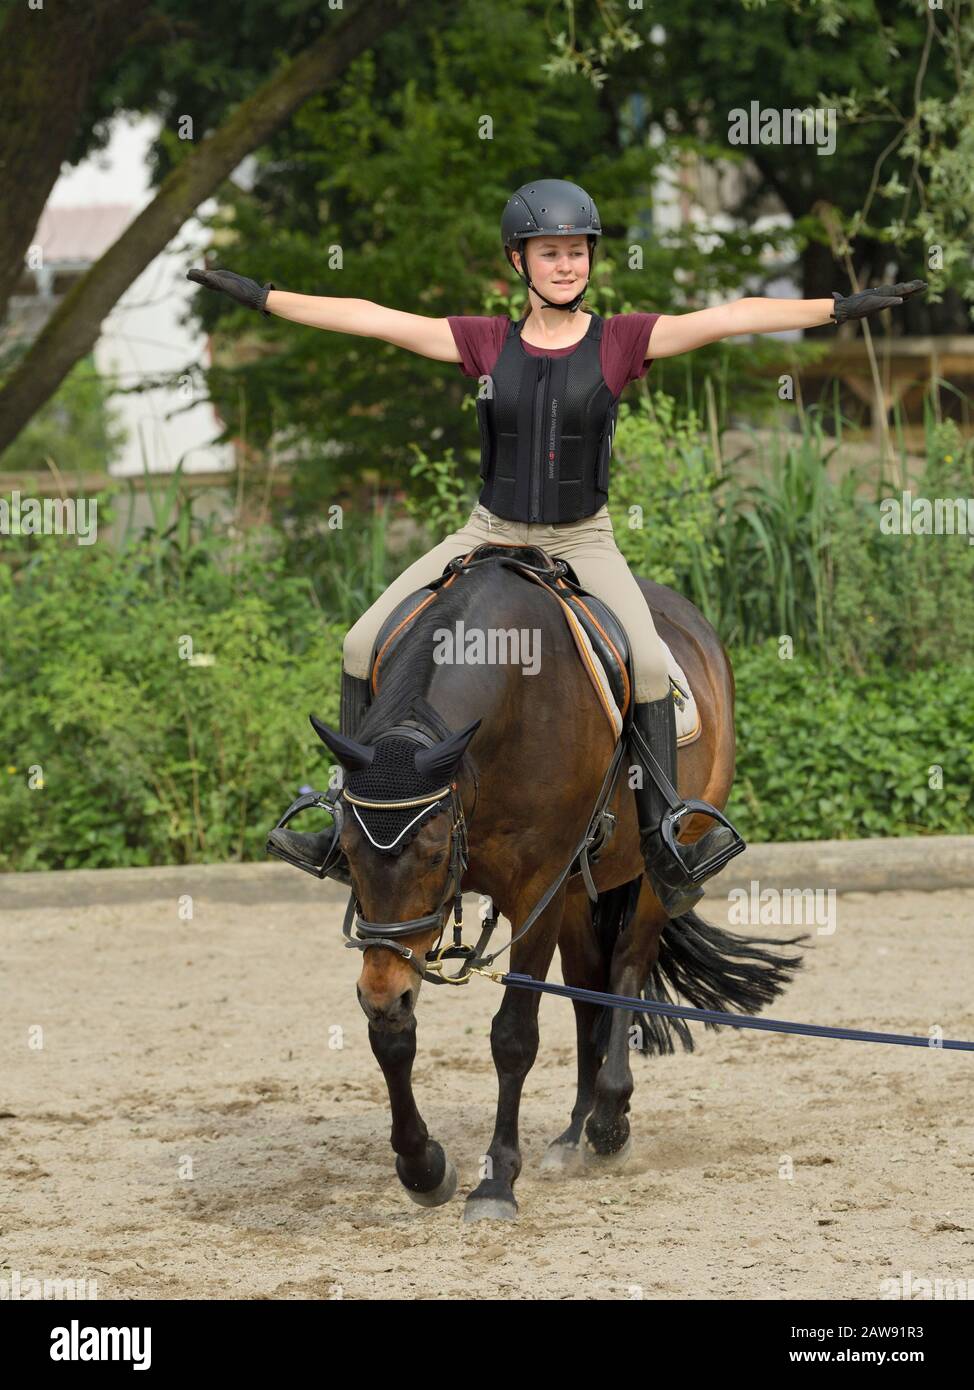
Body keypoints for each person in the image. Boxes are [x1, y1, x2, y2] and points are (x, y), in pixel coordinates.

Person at [188, 178, 925, 916]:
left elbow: (731, 316)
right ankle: (349, 814)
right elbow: (373, 318)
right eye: (550, 253)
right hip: (488, 530)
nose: (566, 265)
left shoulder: (622, 340)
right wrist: (265, 298)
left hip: (582, 539)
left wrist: (836, 309)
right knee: (359, 641)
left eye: (577, 252)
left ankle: (665, 833)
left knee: (647, 664)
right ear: (520, 261)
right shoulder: (486, 340)